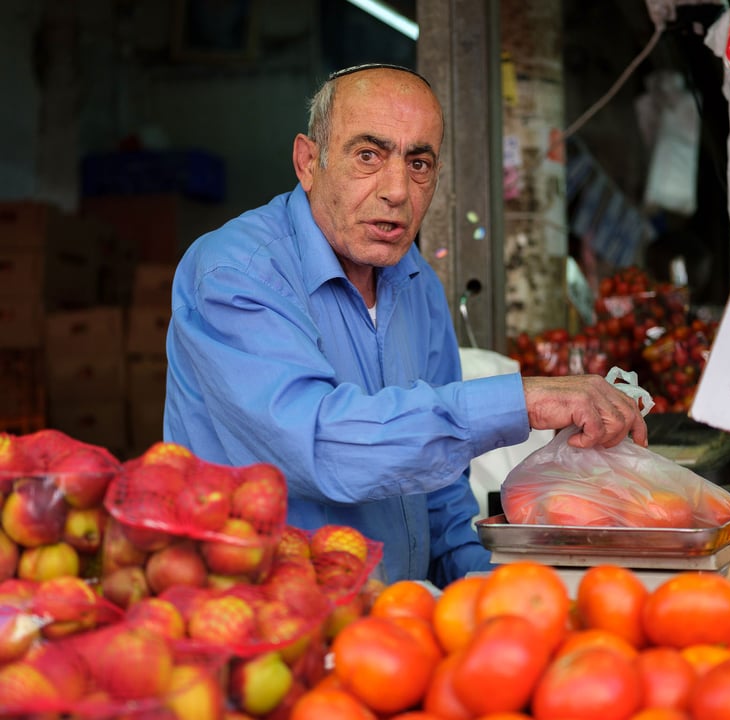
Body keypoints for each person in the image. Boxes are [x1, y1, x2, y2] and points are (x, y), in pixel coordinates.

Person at [164, 63, 648, 588]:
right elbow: (320, 445)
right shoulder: (234, 272)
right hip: (268, 623)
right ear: (308, 161)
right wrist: (520, 401)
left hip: (398, 628)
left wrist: (484, 588)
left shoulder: (416, 285)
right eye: (368, 155)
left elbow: (439, 487)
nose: (396, 190)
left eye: (419, 163)